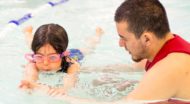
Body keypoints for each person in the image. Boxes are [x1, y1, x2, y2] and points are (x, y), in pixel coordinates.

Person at [60, 0, 190, 103]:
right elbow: (128, 68)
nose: (120, 44)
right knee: (104, 82)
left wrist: (56, 94)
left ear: (146, 39)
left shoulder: (169, 68)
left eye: (124, 38)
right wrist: (75, 68)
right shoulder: (167, 45)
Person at [19, 23, 104, 96]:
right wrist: (28, 84)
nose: (45, 63)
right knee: (31, 43)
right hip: (46, 50)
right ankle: (28, 32)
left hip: (74, 55)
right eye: (39, 56)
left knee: (88, 48)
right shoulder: (34, 62)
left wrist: (64, 89)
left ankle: (97, 34)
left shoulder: (71, 65)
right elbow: (31, 77)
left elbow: (70, 83)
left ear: (63, 54)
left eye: (52, 57)